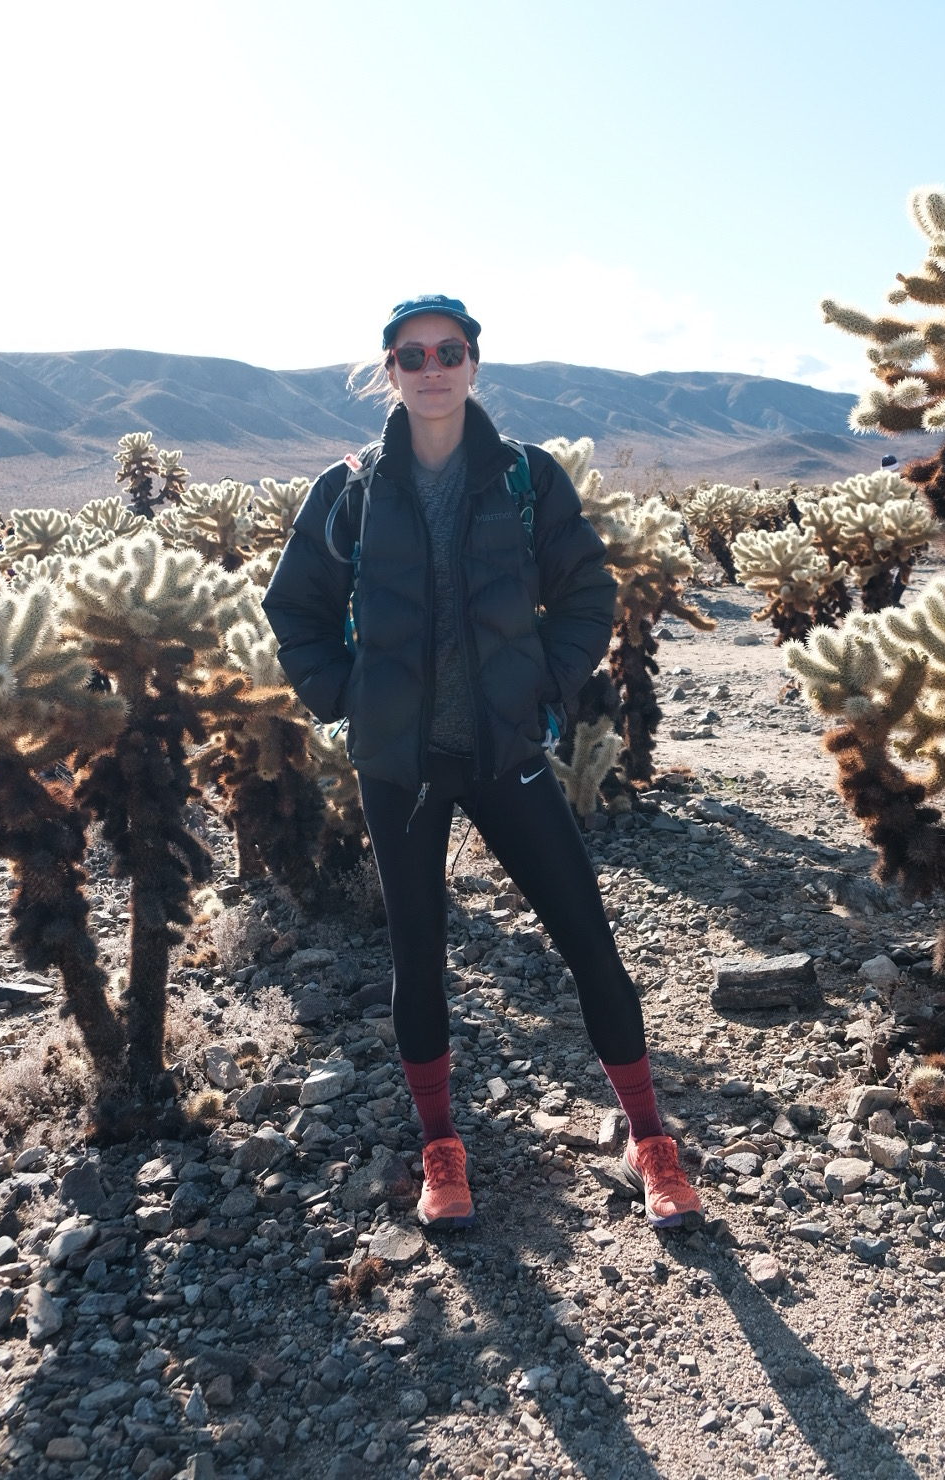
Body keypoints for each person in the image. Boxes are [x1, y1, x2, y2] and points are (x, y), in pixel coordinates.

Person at [262, 295, 701, 1231]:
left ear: (474, 363)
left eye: (449, 352)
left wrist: (545, 683)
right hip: (399, 766)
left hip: (505, 753)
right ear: (389, 370)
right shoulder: (346, 491)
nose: (433, 369)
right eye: (412, 355)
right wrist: (344, 699)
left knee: (588, 936)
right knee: (419, 956)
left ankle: (650, 1138)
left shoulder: (524, 479)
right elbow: (293, 609)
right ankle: (440, 1149)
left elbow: (587, 589)